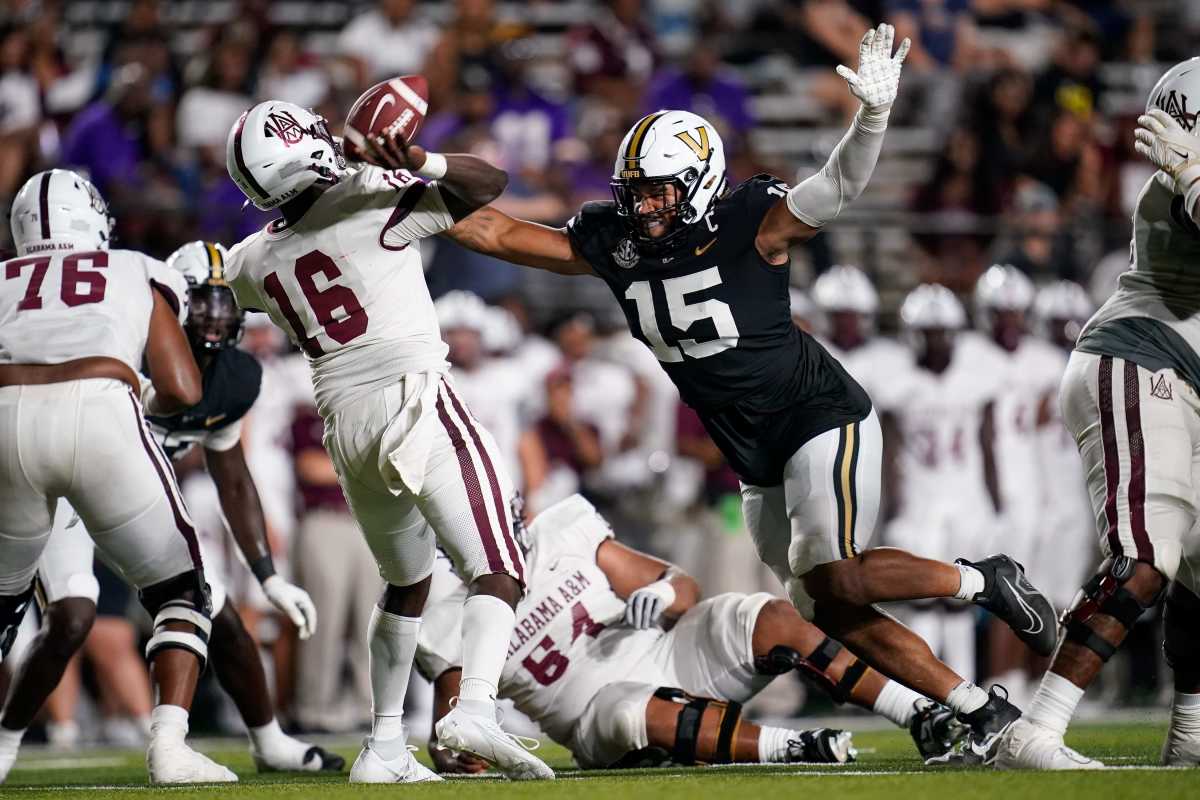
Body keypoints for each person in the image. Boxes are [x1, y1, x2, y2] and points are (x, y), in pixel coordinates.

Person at [432, 24, 1057, 762]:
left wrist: (873, 118)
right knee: (824, 603)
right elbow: (502, 235)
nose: (644, 208)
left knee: (839, 573)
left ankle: (981, 577)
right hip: (748, 449)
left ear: (698, 183)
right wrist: (406, 193)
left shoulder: (751, 221)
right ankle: (971, 706)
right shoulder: (616, 244)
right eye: (634, 193)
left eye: (659, 192)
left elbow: (839, 188)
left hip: (816, 415)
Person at [222, 100, 551, 782]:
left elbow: (231, 284)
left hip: (346, 426)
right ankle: (476, 710)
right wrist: (418, 160)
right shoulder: (369, 198)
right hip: (413, 398)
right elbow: (487, 183)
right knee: (499, 561)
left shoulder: (253, 259)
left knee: (406, 585)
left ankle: (385, 745)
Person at [0, 239, 340, 776]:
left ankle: (269, 740)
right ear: (172, 300)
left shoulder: (233, 377)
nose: (214, 315)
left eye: (224, 302)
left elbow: (232, 475)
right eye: (201, 301)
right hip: (69, 496)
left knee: (218, 613)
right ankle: (7, 742)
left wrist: (267, 576)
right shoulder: (129, 341)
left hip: (138, 502)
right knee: (71, 617)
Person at [417, 494, 968, 771]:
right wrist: (452, 751)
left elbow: (680, 587)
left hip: (666, 652)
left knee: (773, 615)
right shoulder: (448, 617)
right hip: (599, 718)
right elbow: (457, 726)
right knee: (625, 708)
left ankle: (916, 713)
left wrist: (658, 593)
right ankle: (796, 748)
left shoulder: (562, 534)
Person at [996, 58, 1200, 770]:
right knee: (1148, 558)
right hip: (1137, 362)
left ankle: (1192, 735)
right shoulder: (1172, 186)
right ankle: (1035, 730)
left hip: (1181, 377)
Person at [0, 170, 232, 784]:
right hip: (100, 413)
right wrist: (146, 398)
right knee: (182, 591)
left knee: (3, 609)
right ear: (94, 219)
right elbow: (183, 388)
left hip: (3, 424)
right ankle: (170, 747)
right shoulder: (133, 266)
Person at [876, 285, 1004, 686]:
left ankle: (962, 683)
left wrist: (996, 501)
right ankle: (922, 684)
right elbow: (889, 451)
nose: (935, 340)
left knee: (962, 599)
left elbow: (987, 445)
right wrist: (892, 504)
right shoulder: (898, 385)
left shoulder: (974, 383)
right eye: (928, 332)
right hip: (920, 499)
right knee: (925, 598)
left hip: (966, 498)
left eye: (941, 332)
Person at [972, 265, 1067, 706]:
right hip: (983, 491)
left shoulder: (1045, 360)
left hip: (1033, 487)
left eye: (1014, 312)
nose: (1008, 320)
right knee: (1000, 592)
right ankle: (1000, 683)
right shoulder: (969, 353)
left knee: (1041, 590)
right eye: (1000, 312)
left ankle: (1031, 687)